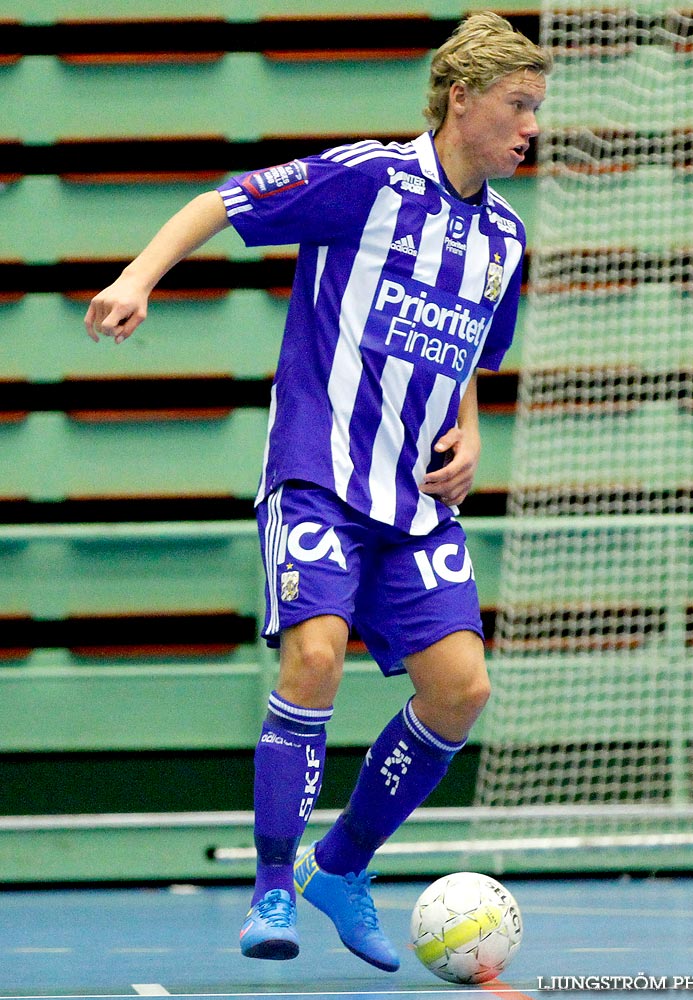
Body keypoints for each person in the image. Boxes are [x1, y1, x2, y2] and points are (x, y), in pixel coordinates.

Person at [84, 11, 549, 972]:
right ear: (461, 99)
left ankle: (339, 868)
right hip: (320, 477)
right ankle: (269, 884)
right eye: (519, 105)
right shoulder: (368, 181)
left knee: (461, 692)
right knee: (319, 659)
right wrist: (137, 277)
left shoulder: (504, 237)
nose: (530, 128)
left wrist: (472, 429)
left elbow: (469, 353)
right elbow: (221, 201)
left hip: (416, 503)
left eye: (535, 109)